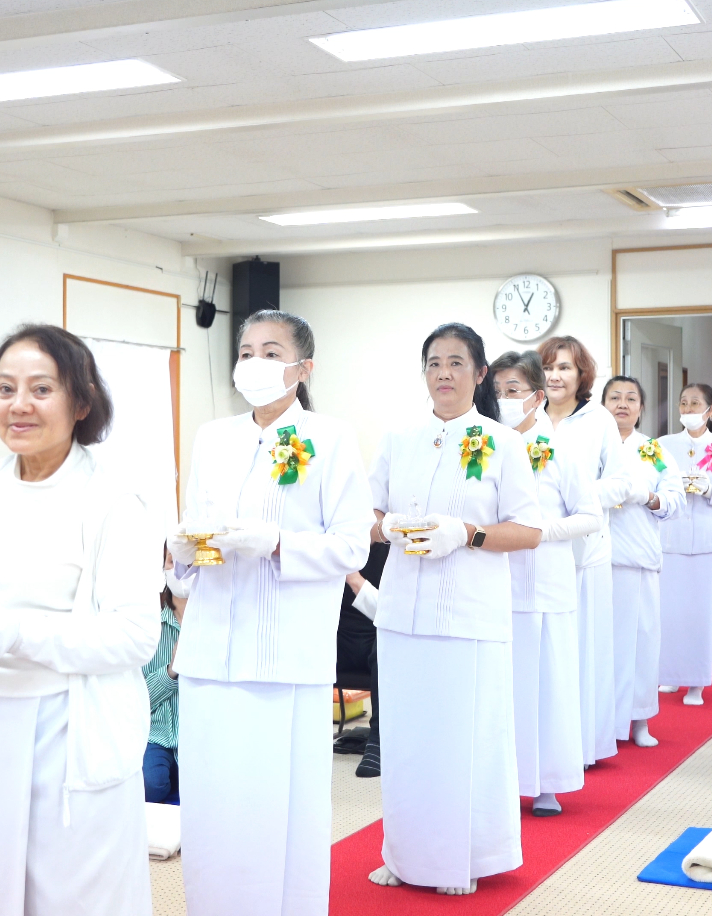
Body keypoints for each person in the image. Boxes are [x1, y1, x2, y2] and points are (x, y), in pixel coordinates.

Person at [0, 324, 161, 916]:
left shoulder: (113, 500)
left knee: (72, 890)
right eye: (5, 389)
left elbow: (134, 636)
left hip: (67, 724)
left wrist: (17, 636)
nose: (19, 405)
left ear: (80, 402)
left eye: (41, 389)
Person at [171, 310, 373, 916]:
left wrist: (277, 543)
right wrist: (182, 551)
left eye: (271, 351)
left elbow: (352, 546)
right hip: (210, 646)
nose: (254, 363)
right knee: (211, 799)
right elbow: (195, 530)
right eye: (246, 350)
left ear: (302, 367)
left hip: (284, 651)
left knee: (274, 802)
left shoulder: (331, 438)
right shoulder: (213, 437)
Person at [368, 323, 542, 896]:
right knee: (405, 740)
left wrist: (466, 533)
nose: (444, 373)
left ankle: (463, 857)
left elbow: (529, 530)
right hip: (400, 614)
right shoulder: (399, 437)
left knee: (461, 740)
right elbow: (364, 517)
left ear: (480, 373)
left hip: (468, 613)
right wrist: (388, 526)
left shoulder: (502, 441)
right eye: (434, 363)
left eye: (456, 363)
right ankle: (404, 854)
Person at [492, 349, 599, 817]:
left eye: (512, 391)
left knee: (548, 686)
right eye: (495, 392)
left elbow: (590, 517)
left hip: (546, 583)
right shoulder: (484, 444)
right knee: (501, 689)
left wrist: (537, 536)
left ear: (536, 397)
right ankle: (499, 780)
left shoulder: (560, 449)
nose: (502, 400)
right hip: (494, 584)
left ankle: (548, 783)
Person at [539, 336, 628, 766]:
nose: (555, 376)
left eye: (565, 368)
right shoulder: (526, 418)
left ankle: (584, 747)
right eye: (549, 367)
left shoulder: (598, 421)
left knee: (585, 649)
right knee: (547, 654)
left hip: (585, 549)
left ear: (581, 376)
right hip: (535, 551)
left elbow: (620, 481)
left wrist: (574, 496)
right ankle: (545, 744)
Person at [602, 376, 683, 748]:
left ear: (641, 407)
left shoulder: (653, 450)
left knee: (641, 640)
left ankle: (638, 720)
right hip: (594, 557)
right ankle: (601, 724)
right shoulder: (587, 445)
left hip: (637, 557)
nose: (622, 404)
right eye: (615, 397)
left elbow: (675, 500)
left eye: (630, 398)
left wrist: (650, 498)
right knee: (602, 645)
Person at [655, 383, 712, 706]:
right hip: (672, 538)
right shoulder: (662, 445)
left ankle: (697, 683)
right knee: (670, 610)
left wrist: (709, 491)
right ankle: (669, 675)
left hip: (710, 539)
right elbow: (654, 487)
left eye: (696, 403)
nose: (689, 409)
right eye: (683, 403)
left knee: (704, 613)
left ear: (711, 410)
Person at [335, 533, 388, 778]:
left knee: (386, 643)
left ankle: (377, 741)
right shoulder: (333, 545)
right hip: (337, 637)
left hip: (377, 637)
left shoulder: (392, 548)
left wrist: (355, 580)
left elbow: (392, 615)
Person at [143, 549, 184, 803]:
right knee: (151, 785)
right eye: (172, 561)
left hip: (197, 736)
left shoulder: (213, 623)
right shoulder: (151, 626)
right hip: (155, 734)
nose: (180, 569)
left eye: (187, 561)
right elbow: (140, 696)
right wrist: (172, 670)